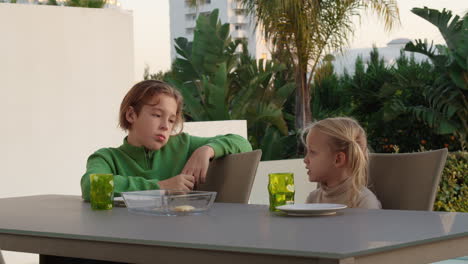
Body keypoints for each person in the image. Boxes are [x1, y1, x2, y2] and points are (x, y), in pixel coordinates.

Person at [80, 80, 252, 201]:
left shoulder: (184, 145)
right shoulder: (106, 158)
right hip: (126, 241)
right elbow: (92, 186)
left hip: (181, 240)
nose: (165, 126)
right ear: (131, 115)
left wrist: (207, 149)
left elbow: (243, 144)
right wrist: (161, 187)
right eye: (156, 115)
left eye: (171, 120)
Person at [302, 117, 381, 209]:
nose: (305, 160)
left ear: (338, 159)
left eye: (312, 152)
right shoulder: (313, 199)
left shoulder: (364, 202)